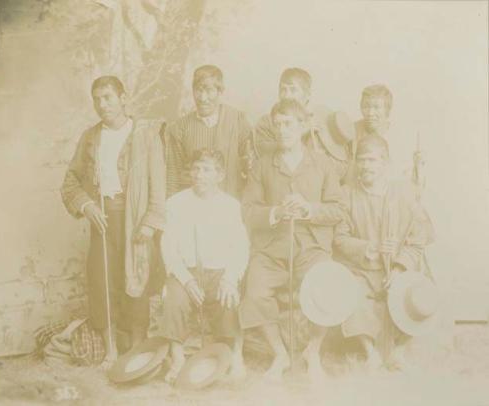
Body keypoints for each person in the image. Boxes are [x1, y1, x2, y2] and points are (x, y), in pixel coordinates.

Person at [61, 76, 166, 368]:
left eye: (108, 97)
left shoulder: (146, 135)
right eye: (97, 99)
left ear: (124, 97)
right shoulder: (91, 137)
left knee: (136, 278)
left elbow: (158, 184)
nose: (102, 104)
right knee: (102, 280)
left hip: (136, 219)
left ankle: (136, 346)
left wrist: (149, 223)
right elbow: (70, 182)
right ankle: (111, 349)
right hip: (104, 219)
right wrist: (88, 205)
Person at [239, 99, 344, 380]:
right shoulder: (262, 165)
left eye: (289, 124)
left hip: (311, 247)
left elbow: (339, 209)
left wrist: (310, 209)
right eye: (278, 124)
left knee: (327, 284)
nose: (282, 130)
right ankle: (280, 354)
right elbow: (247, 210)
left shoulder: (322, 164)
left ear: (303, 126)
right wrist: (275, 212)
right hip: (271, 249)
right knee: (254, 291)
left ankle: (313, 351)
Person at [334, 135, 434, 370]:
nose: (366, 166)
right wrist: (370, 247)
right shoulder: (346, 194)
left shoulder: (404, 193)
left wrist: (399, 268)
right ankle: (370, 353)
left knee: (420, 295)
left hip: (397, 270)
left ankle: (398, 352)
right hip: (362, 269)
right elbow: (339, 238)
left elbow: (417, 239)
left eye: (372, 160)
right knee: (350, 294)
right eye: (361, 160)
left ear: (385, 162)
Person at [159, 149, 250, 383]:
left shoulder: (230, 206)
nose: (199, 175)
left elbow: (240, 247)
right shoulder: (176, 203)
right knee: (174, 299)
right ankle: (177, 357)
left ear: (219, 175)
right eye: (196, 169)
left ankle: (235, 355)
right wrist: (186, 280)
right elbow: (168, 248)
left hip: (218, 273)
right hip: (186, 273)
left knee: (229, 300)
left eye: (206, 170)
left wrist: (230, 279)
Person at [165, 65, 253, 199]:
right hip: (192, 205)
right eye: (198, 90)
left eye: (209, 91)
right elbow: (173, 176)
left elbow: (252, 168)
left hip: (231, 204)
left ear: (220, 92)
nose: (203, 98)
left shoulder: (238, 121)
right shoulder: (180, 127)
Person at [254, 67, 353, 181]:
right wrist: (299, 133)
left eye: (293, 90)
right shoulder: (267, 121)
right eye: (283, 89)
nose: (287, 95)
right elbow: (263, 152)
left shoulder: (321, 121)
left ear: (307, 95)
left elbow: (340, 165)